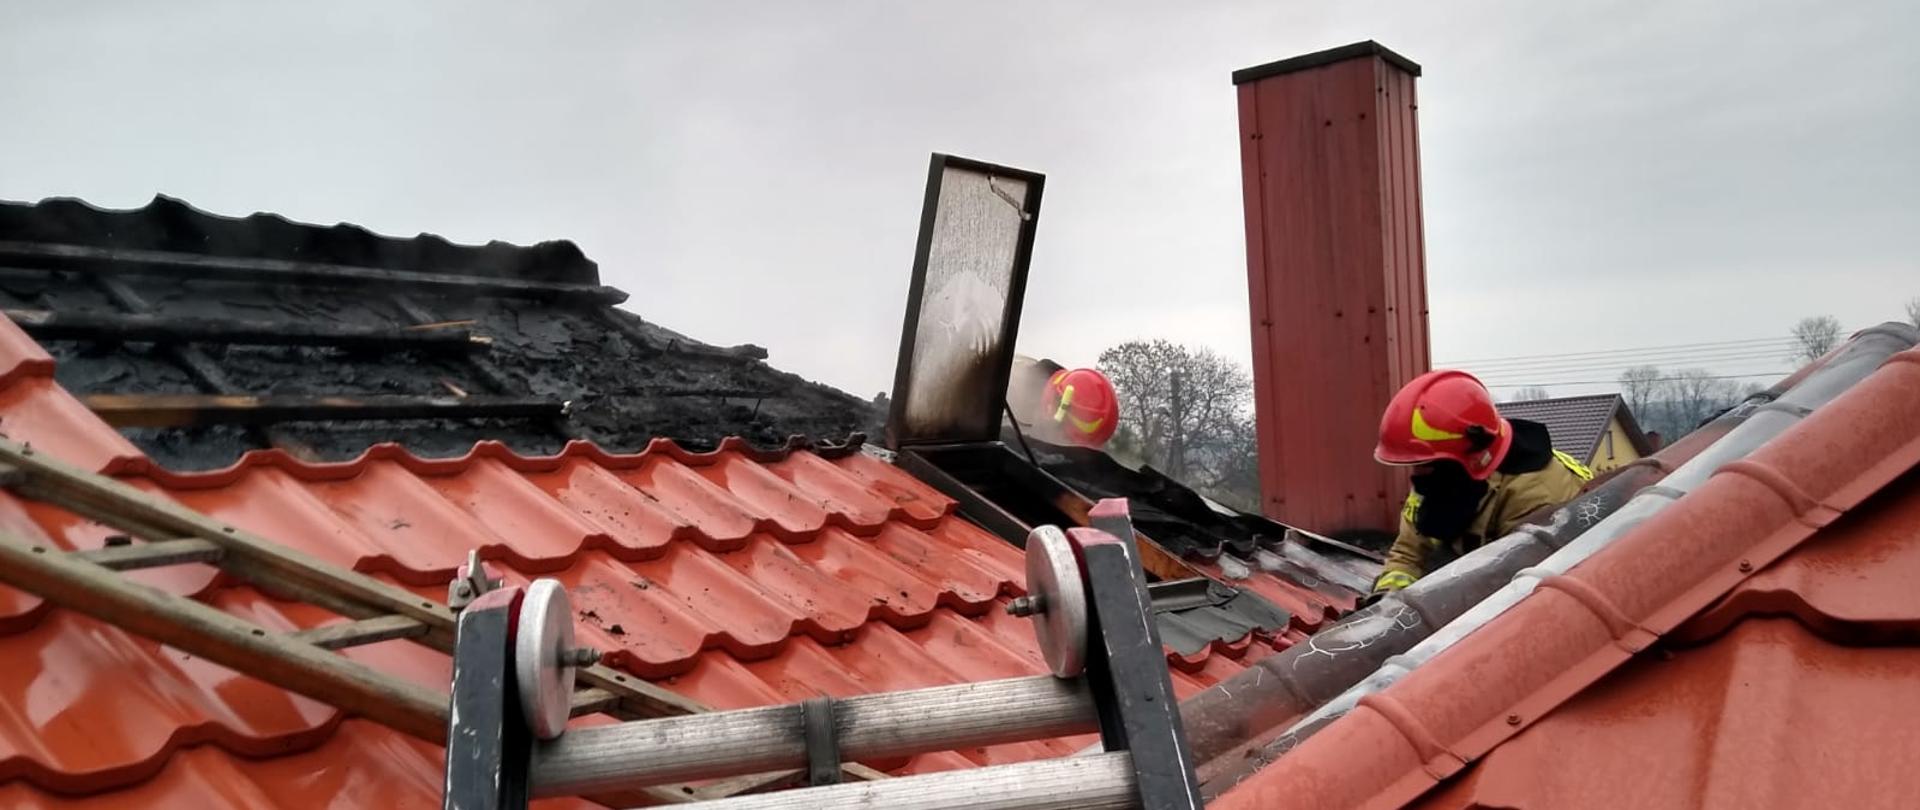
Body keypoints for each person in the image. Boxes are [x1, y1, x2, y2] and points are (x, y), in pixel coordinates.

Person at [1370, 370, 1592, 595]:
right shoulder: (1440, 479)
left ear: (1471, 458)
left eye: (1428, 464)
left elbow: (1518, 590)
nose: (1418, 473)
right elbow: (1409, 553)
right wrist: (1385, 603)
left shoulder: (1537, 495)